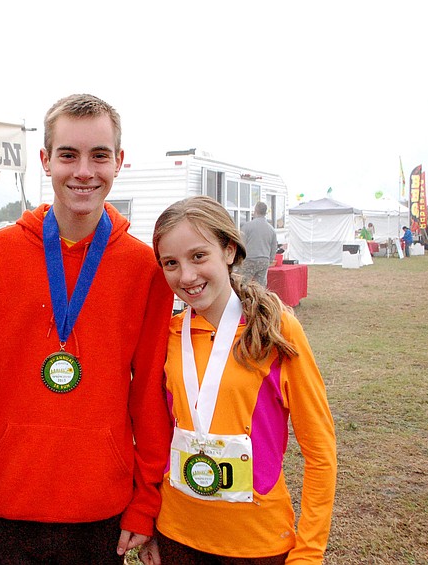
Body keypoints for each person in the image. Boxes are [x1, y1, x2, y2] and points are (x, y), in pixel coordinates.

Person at [0, 93, 174, 564]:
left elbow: (149, 391)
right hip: (2, 500)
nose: (84, 171)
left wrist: (146, 499)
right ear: (46, 160)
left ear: (119, 162)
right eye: (68, 154)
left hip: (101, 505)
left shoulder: (143, 267)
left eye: (99, 155)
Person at [139, 195, 337, 564]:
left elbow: (320, 452)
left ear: (229, 250)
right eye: (171, 263)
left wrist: (308, 553)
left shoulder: (276, 331)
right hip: (175, 536)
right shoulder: (166, 335)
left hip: (257, 544)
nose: (186, 276)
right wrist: (148, 522)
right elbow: (156, 437)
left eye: (198, 256)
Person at [237, 201, 277, 287]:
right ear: (265, 212)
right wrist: (270, 259)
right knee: (261, 286)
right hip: (264, 260)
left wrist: (239, 258)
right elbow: (274, 247)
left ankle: (243, 299)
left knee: (242, 284)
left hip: (249, 259)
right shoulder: (271, 229)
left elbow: (241, 243)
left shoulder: (247, 226)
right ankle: (260, 299)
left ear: (255, 211)